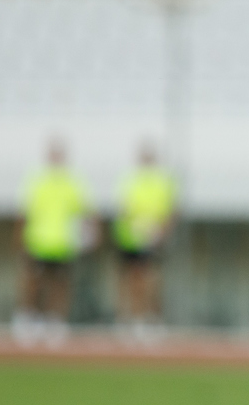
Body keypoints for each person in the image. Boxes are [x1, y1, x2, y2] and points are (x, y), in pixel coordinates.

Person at [16, 137, 93, 347]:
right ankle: (29, 318)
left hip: (62, 243)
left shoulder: (72, 182)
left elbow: (84, 210)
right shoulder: (37, 181)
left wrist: (88, 234)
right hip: (38, 240)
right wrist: (22, 240)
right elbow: (25, 212)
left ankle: (55, 322)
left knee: (59, 284)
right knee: (34, 282)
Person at [112, 142, 176, 342]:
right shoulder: (130, 180)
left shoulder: (162, 182)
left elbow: (169, 212)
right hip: (130, 237)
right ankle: (129, 319)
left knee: (150, 279)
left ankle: (150, 318)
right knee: (130, 279)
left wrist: (160, 233)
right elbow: (123, 209)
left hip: (151, 238)